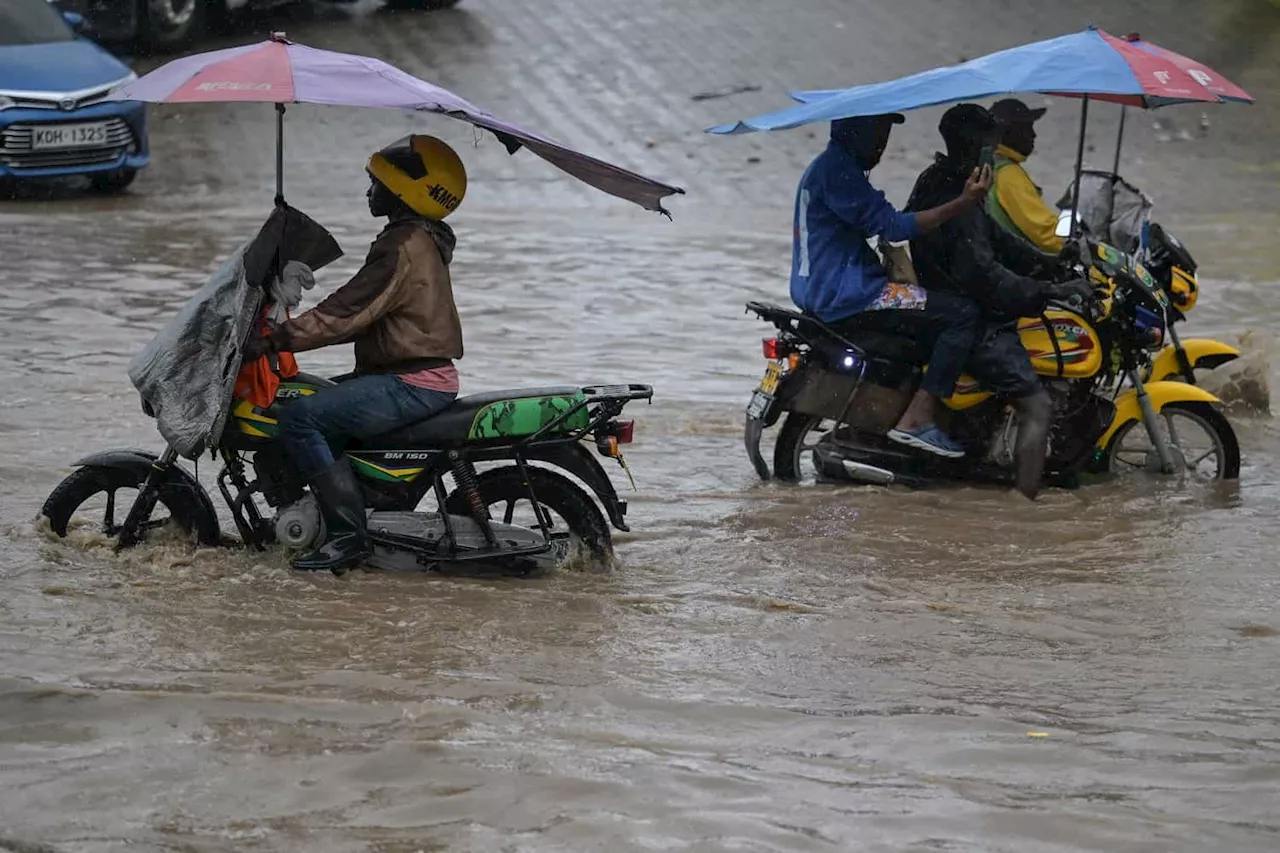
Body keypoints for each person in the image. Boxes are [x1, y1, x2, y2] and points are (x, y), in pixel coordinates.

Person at [243, 135, 468, 572]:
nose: (368, 192)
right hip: (414, 376)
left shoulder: (401, 245)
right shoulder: (420, 239)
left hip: (411, 383)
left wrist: (275, 338)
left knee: (300, 416)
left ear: (401, 192)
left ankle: (348, 535)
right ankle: (342, 511)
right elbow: (358, 311)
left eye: (375, 184)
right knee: (299, 397)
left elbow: (350, 311)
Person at [905, 104, 1093, 499]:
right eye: (989, 143)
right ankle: (1023, 503)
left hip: (951, 300)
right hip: (972, 316)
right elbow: (984, 274)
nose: (993, 151)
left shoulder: (943, 180)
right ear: (975, 144)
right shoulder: (958, 192)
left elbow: (999, 242)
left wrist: (1054, 265)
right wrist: (1047, 291)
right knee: (1037, 406)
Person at [790, 113, 993, 458]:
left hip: (817, 290)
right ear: (857, 133)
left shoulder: (827, 166)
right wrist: (963, 202)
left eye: (885, 134)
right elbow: (894, 227)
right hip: (850, 295)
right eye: (877, 133)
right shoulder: (840, 173)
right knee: (961, 314)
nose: (882, 144)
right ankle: (917, 418)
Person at [986, 98, 1064, 254]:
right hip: (1017, 268)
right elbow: (1046, 234)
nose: (1033, 135)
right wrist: (1082, 246)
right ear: (1008, 133)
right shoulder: (1009, 175)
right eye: (1027, 128)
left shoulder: (989, 165)